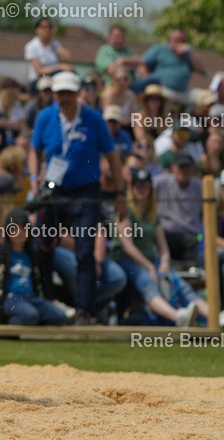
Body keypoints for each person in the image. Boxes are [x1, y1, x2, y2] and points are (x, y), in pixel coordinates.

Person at [28, 71, 125, 325]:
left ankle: (84, 310)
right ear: (55, 94)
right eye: (61, 93)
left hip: (85, 191)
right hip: (53, 191)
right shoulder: (45, 117)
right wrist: (32, 178)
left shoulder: (94, 119)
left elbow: (113, 157)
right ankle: (49, 304)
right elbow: (33, 149)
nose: (65, 98)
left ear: (77, 93)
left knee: (85, 251)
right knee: (43, 248)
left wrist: (120, 193)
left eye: (69, 93)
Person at [113, 168, 220, 327]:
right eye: (138, 186)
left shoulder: (152, 213)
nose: (142, 189)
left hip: (149, 258)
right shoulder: (125, 209)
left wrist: (163, 262)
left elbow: (162, 246)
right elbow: (128, 248)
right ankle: (178, 316)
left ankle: (215, 318)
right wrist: (150, 266)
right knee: (148, 281)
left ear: (151, 189)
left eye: (146, 186)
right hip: (125, 259)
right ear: (132, 188)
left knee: (178, 282)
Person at [0, 208, 68, 326]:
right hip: (10, 298)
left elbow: (44, 282)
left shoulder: (33, 255)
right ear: (7, 231)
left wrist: (51, 299)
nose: (19, 232)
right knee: (31, 315)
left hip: (31, 298)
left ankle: (18, 323)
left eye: (23, 228)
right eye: (14, 229)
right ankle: (6, 323)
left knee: (59, 316)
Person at [142, 29, 205, 108]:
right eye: (177, 39)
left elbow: (200, 69)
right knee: (162, 97)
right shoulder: (159, 49)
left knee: (207, 97)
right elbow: (142, 63)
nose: (179, 42)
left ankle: (202, 120)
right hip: (164, 89)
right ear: (170, 39)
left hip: (185, 92)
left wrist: (190, 51)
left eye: (182, 40)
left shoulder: (188, 54)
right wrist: (148, 79)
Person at [24, 17, 73, 87]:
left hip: (53, 78)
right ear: (37, 29)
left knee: (71, 73)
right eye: (44, 27)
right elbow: (40, 71)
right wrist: (60, 66)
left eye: (49, 27)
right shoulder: (32, 46)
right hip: (38, 80)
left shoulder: (53, 44)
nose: (47, 30)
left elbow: (67, 58)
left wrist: (52, 39)